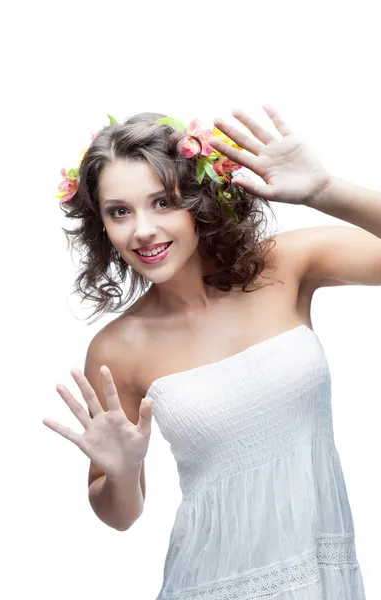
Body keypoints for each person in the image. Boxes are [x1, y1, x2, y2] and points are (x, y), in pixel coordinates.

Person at [43, 105, 381, 599]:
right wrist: (119, 472)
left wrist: (326, 191)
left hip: (320, 577)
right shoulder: (117, 348)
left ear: (199, 200)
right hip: (210, 584)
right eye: (120, 211)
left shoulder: (284, 266)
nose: (141, 230)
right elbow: (120, 515)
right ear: (103, 226)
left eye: (162, 202)